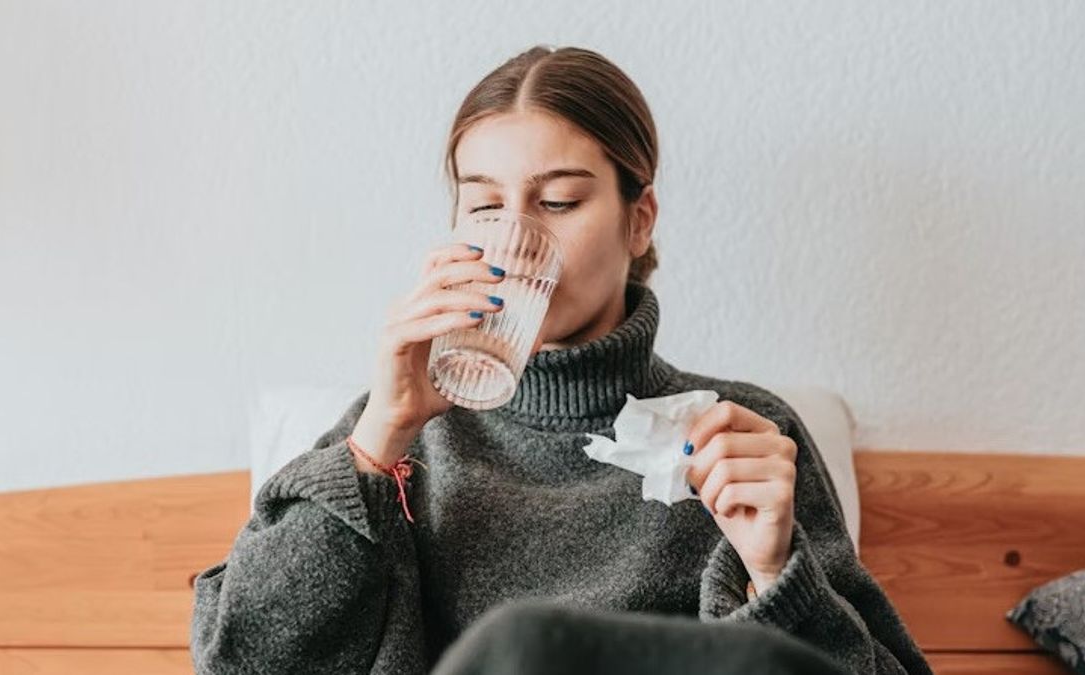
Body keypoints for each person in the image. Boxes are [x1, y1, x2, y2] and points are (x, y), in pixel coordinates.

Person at [190, 44, 934, 675]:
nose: (514, 240)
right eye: (485, 205)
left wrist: (774, 573)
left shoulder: (741, 435)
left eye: (558, 202)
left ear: (639, 221)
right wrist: (373, 444)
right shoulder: (397, 438)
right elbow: (239, 657)